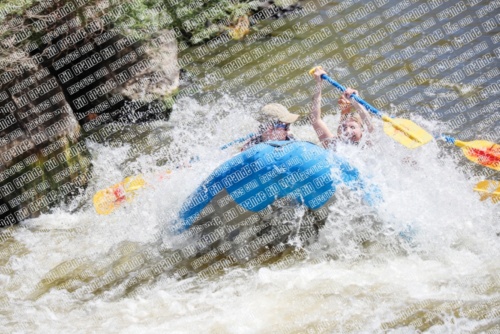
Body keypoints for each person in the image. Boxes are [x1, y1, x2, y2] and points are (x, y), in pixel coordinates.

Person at [310, 68, 374, 149]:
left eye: (352, 127)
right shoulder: (334, 144)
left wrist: (355, 101)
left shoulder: (366, 143)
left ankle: (346, 108)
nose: (347, 132)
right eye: (344, 128)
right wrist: (319, 83)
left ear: (362, 131)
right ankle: (345, 109)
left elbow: (369, 124)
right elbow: (315, 119)